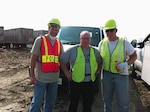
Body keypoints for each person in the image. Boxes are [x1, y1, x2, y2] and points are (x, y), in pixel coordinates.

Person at [98, 19, 137, 112]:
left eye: (112, 30)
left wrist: (126, 63)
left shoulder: (124, 43)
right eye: (107, 30)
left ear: (116, 30)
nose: (109, 33)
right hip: (106, 74)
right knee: (107, 100)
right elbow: (99, 59)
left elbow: (134, 56)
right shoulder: (102, 43)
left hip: (121, 75)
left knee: (123, 102)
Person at [60, 30, 102, 112]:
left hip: (90, 82)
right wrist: (66, 73)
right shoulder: (72, 50)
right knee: (73, 103)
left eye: (87, 38)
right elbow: (61, 60)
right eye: (83, 38)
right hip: (75, 81)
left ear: (90, 40)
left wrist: (97, 71)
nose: (85, 40)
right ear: (80, 39)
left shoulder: (95, 51)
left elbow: (100, 62)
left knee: (88, 104)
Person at [29, 18, 63, 112]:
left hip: (54, 79)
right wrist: (32, 76)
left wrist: (67, 73)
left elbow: (61, 60)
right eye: (52, 29)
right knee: (36, 102)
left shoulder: (59, 43)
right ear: (48, 28)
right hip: (41, 79)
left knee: (50, 103)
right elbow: (33, 59)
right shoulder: (40, 40)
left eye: (56, 30)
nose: (54, 32)